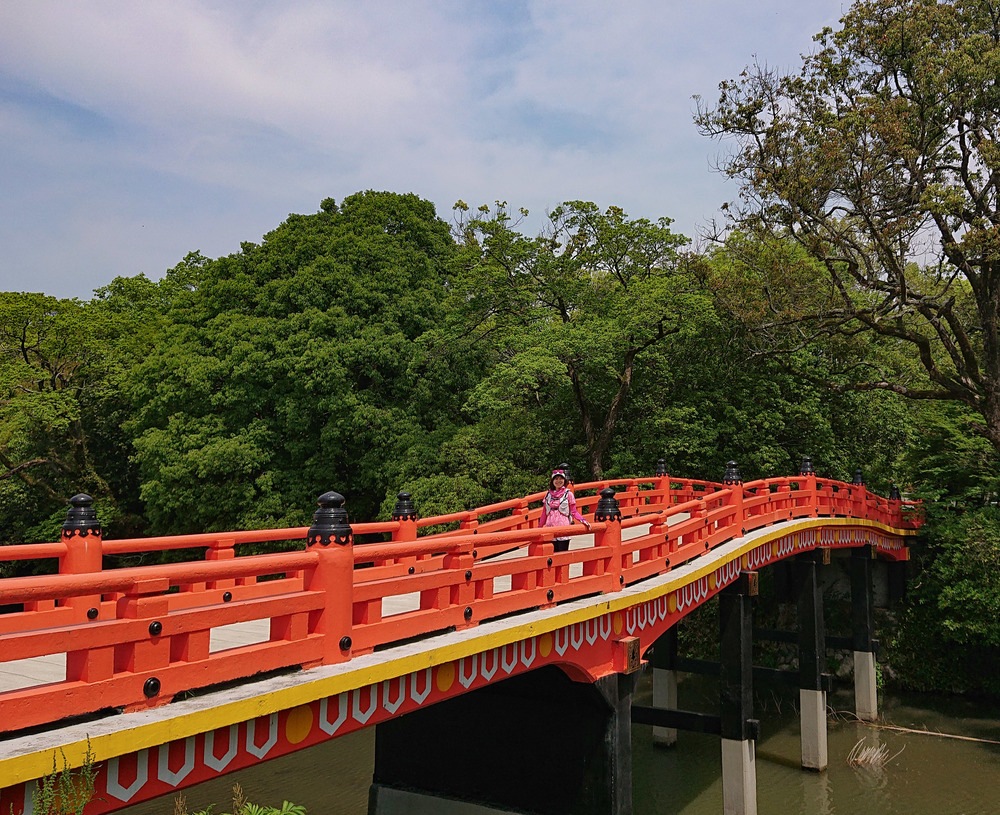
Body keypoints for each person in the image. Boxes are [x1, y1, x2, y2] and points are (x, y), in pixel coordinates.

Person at [539, 468, 591, 552]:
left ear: (564, 480)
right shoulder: (548, 494)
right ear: (552, 481)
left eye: (561, 479)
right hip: (550, 527)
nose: (558, 481)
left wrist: (582, 520)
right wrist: (539, 527)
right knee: (552, 556)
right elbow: (544, 513)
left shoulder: (568, 494)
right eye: (556, 479)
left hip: (563, 526)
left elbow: (574, 511)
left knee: (562, 554)